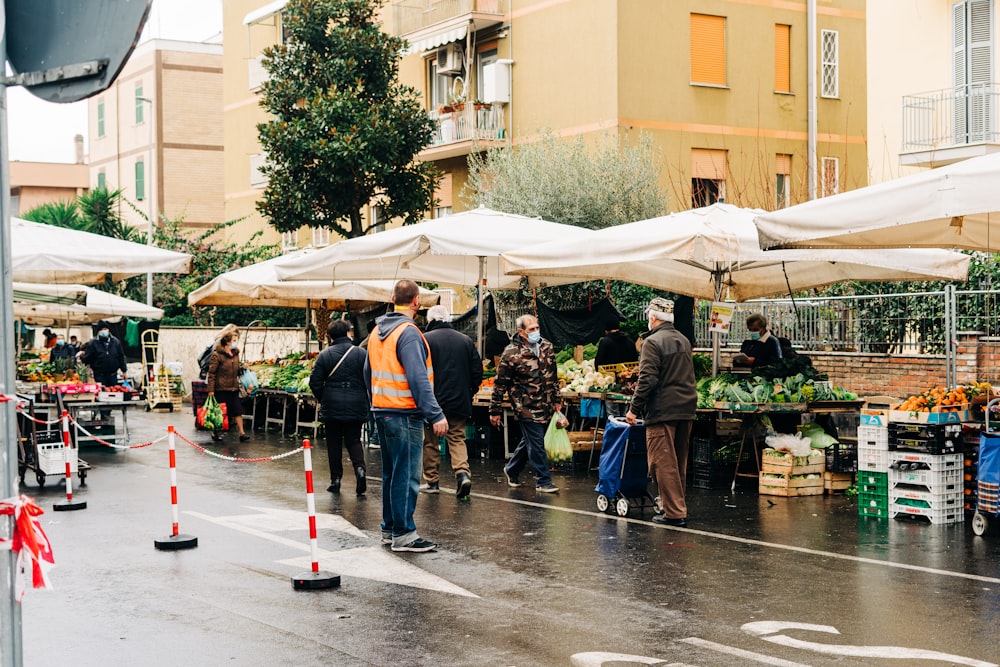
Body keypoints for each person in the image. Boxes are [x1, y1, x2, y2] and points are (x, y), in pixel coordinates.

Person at [364, 280, 447, 553]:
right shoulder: (409, 333)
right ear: (416, 302)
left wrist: (376, 401)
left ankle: (389, 528)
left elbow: (368, 371)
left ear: (392, 299)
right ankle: (403, 534)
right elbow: (418, 378)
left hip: (383, 410)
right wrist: (435, 414)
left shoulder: (377, 332)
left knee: (392, 473)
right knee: (408, 475)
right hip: (404, 412)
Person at [625, 297, 697, 528]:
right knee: (678, 461)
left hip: (662, 409)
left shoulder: (652, 343)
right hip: (686, 408)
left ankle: (674, 512)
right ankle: (674, 506)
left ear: (653, 317)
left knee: (662, 462)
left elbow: (647, 379)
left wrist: (634, 409)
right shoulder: (683, 340)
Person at [490, 314, 562, 494]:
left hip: (545, 403)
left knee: (531, 440)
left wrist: (557, 400)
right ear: (521, 332)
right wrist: (495, 410)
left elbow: (553, 376)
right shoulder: (511, 353)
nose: (536, 332)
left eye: (537, 328)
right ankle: (543, 480)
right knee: (536, 442)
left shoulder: (546, 347)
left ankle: (512, 468)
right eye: (531, 329)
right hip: (525, 406)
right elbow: (500, 384)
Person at [420, 305, 482, 500]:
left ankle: (432, 481)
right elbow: (477, 372)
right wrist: (469, 391)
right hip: (459, 400)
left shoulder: (424, 340)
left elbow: (419, 371)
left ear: (430, 321)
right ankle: (462, 474)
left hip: (432, 401)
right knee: (457, 439)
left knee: (430, 441)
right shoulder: (465, 341)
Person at [309, 319, 369, 495]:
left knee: (333, 443)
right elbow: (369, 377)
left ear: (330, 336)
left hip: (332, 404)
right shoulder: (361, 353)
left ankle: (336, 480)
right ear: (348, 333)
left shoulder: (325, 355)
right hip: (356, 402)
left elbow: (315, 382)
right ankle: (360, 469)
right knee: (354, 439)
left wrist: (324, 397)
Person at [206, 324, 250, 443]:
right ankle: (215, 432)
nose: (236, 342)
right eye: (234, 340)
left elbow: (235, 370)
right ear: (227, 341)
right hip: (220, 388)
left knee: (237, 410)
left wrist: (242, 368)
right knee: (219, 411)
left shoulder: (235, 354)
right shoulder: (217, 355)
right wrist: (210, 390)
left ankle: (242, 433)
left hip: (233, 387)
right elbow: (212, 373)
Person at [79, 321, 127, 389]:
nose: (103, 331)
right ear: (98, 331)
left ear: (108, 329)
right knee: (101, 394)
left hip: (113, 375)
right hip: (99, 375)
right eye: (101, 329)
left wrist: (124, 370)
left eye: (105, 329)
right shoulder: (93, 343)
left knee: (114, 393)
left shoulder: (116, 342)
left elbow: (121, 356)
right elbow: (88, 358)